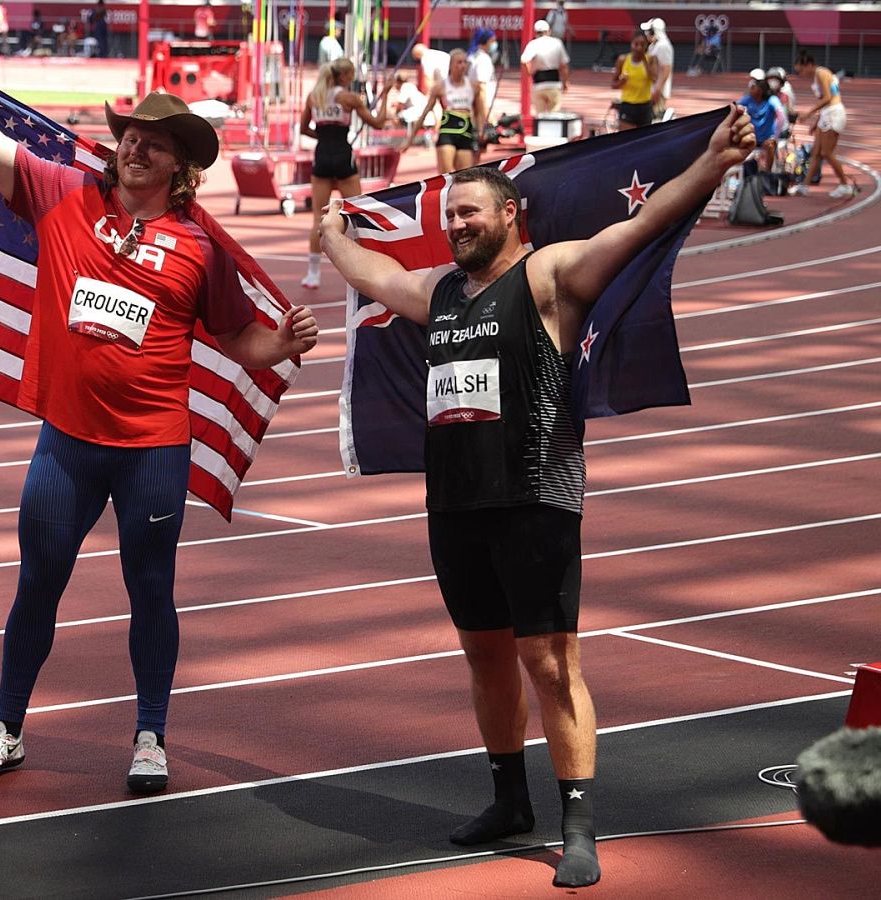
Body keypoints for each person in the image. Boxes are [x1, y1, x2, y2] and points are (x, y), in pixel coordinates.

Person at [320, 105, 758, 889]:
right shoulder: (441, 292)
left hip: (535, 498)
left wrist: (711, 167)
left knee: (550, 664)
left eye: (469, 212)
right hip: (455, 505)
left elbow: (636, 227)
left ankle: (579, 825)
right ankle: (507, 802)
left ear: (510, 214)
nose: (455, 224)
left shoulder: (549, 277)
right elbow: (376, 276)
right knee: (485, 657)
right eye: (449, 213)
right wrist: (330, 236)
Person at [0, 19, 317, 794]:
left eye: (155, 143)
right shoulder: (62, 196)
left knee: (150, 589)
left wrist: (285, 344)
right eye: (130, 135)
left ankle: (151, 735)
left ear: (181, 165)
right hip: (67, 444)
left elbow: (240, 343)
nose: (135, 148)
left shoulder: (199, 248)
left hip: (155, 449)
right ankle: (7, 727)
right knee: (37, 586)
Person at [300, 57, 391, 289]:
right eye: (351, 76)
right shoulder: (349, 99)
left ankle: (313, 275)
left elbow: (303, 129)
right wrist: (386, 94)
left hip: (321, 158)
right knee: (357, 215)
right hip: (343, 158)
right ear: (343, 77)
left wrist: (322, 137)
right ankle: (363, 272)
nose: (352, 80)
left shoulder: (314, 97)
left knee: (316, 221)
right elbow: (378, 123)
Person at [405, 50, 488, 173]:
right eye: (459, 62)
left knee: (465, 176)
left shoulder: (474, 87)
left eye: (465, 62)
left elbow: (479, 112)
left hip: (466, 133)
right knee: (446, 176)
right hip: (447, 131)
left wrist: (481, 131)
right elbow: (425, 113)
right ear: (451, 65)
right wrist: (410, 140)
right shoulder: (441, 87)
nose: (462, 66)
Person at [795, 50, 858, 199]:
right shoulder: (819, 75)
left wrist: (809, 113)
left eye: (801, 70)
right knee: (816, 153)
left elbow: (828, 98)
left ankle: (845, 185)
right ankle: (804, 186)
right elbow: (825, 101)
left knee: (826, 153)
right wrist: (816, 122)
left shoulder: (821, 73)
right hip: (826, 114)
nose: (801, 74)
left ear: (809, 65)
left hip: (834, 113)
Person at [739, 73, 786, 176]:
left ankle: (767, 174)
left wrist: (776, 136)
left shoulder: (772, 100)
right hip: (752, 137)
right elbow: (735, 107)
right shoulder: (748, 99)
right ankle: (742, 174)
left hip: (767, 138)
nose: (750, 90)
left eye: (753, 88)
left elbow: (781, 117)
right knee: (739, 142)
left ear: (760, 90)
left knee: (770, 144)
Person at [521, 19, 570, 116]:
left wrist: (529, 73)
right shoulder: (557, 43)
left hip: (538, 84)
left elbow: (524, 60)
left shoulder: (533, 44)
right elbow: (564, 66)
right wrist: (565, 82)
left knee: (540, 116)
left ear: (535, 32)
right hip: (554, 83)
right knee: (555, 116)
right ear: (549, 31)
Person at [611, 31, 658, 131]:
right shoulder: (623, 60)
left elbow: (654, 79)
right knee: (626, 139)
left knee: (644, 140)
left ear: (646, 46)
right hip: (628, 105)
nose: (639, 48)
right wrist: (621, 82)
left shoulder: (651, 59)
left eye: (642, 45)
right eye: (636, 44)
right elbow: (613, 84)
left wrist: (645, 62)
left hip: (645, 106)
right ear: (631, 44)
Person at [642, 18, 673, 118]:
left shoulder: (663, 46)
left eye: (648, 31)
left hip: (658, 90)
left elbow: (666, 68)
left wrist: (657, 89)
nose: (646, 34)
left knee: (655, 118)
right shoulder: (654, 46)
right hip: (651, 88)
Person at [468, 28, 499, 117]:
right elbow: (481, 86)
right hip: (483, 105)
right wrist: (485, 113)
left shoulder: (473, 55)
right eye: (492, 41)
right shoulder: (483, 59)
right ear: (486, 42)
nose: (494, 44)